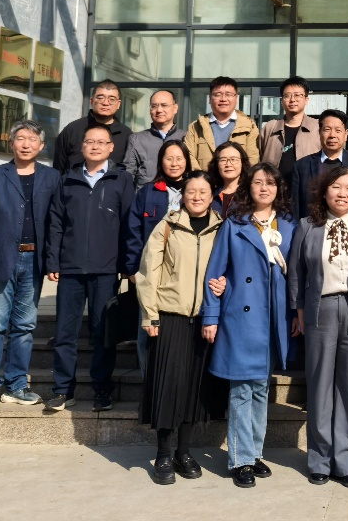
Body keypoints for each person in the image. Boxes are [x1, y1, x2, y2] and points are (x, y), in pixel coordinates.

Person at [202, 162, 296, 488]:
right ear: (248, 187)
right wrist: (211, 316)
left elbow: (297, 275)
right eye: (258, 182)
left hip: (273, 319)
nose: (264, 188)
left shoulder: (289, 227)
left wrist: (296, 313)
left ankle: (254, 453)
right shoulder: (234, 225)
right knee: (241, 389)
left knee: (260, 388)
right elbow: (215, 273)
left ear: (278, 188)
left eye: (270, 182)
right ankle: (240, 459)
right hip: (240, 318)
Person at [289, 166, 348, 487]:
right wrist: (298, 310)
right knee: (319, 386)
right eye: (336, 187)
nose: (342, 193)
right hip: (319, 311)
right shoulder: (308, 226)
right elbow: (296, 273)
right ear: (324, 191)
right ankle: (319, 459)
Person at [135, 170, 224, 485]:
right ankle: (163, 453)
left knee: (194, 390)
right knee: (167, 387)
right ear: (182, 195)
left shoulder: (222, 229)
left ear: (212, 196)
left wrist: (225, 284)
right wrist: (150, 315)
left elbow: (230, 267)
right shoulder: (168, 226)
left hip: (205, 319)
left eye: (203, 191)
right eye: (191, 191)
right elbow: (149, 271)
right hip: (170, 315)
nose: (197, 196)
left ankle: (183, 452)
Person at [44, 124, 134, 413]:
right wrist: (53, 261)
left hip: (106, 269)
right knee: (65, 332)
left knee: (102, 332)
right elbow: (56, 223)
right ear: (82, 147)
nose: (95, 146)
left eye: (101, 142)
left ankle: (102, 389)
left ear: (111, 147)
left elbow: (128, 225)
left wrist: (126, 264)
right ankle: (62, 390)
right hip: (70, 268)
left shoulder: (121, 179)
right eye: (90, 142)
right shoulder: (67, 180)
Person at [0, 119, 60, 410]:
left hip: (34, 261)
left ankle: (16, 384)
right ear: (12, 143)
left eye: (32, 140)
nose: (26, 144)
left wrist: (53, 260)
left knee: (24, 326)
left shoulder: (52, 178)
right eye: (21, 138)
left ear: (41, 145)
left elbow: (56, 223)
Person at [124, 139, 193, 375]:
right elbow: (133, 232)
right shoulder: (147, 192)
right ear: (160, 162)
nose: (174, 163)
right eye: (169, 158)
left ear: (187, 161)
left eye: (179, 158)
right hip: (151, 272)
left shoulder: (196, 191)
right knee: (146, 330)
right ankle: (149, 382)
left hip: (184, 272)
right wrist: (132, 269)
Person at [292, 110, 348, 218]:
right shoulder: (302, 166)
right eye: (327, 129)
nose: (332, 135)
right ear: (319, 132)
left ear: (346, 134)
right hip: (312, 227)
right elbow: (295, 209)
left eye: (338, 130)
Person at [53, 80, 132, 173]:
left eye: (112, 99)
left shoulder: (126, 135)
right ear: (91, 101)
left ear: (118, 104)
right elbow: (58, 169)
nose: (105, 103)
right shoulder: (73, 129)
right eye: (100, 98)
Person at [185, 76, 261, 169]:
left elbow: (252, 159)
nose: (223, 99)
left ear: (236, 98)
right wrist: (201, 177)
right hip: (204, 178)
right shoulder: (196, 127)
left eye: (228, 94)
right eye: (218, 95)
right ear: (210, 99)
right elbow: (189, 157)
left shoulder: (249, 126)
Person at [259, 76, 320, 184]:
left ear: (306, 100)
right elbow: (260, 157)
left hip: (308, 189)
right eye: (287, 96)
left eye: (297, 95)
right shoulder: (270, 128)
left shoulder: (317, 127)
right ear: (282, 101)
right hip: (274, 189)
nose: (292, 100)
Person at [122, 90, 186, 189]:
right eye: (154, 106)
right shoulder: (136, 139)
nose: (159, 110)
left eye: (164, 105)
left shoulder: (186, 138)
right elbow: (128, 174)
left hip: (179, 195)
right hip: (145, 195)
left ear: (175, 108)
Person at [209, 141, 247, 213]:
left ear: (242, 163)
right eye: (223, 160)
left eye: (233, 159)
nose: (228, 164)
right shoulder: (210, 194)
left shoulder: (249, 194)